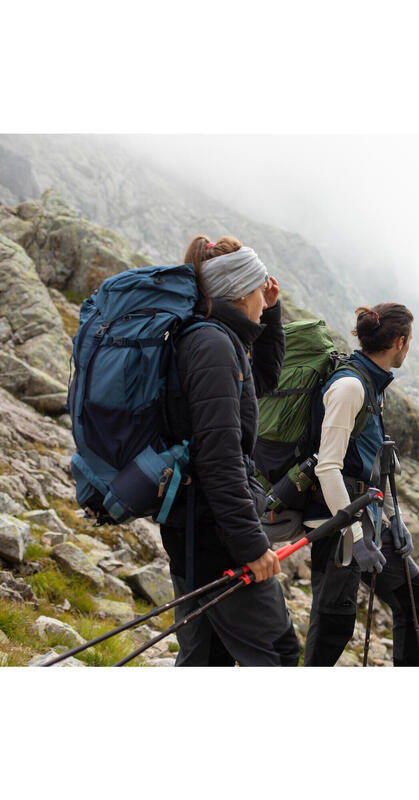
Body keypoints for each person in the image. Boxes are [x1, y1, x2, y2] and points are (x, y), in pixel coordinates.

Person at [159, 234, 300, 666]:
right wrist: (252, 548)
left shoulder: (217, 340)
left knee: (206, 659)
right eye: (260, 291)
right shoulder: (214, 347)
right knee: (276, 652)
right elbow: (219, 460)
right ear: (239, 290)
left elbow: (262, 384)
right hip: (215, 536)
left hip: (193, 527)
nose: (264, 298)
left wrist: (272, 314)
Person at [303, 303, 419, 666]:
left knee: (415, 595)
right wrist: (356, 540)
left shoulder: (372, 382)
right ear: (401, 342)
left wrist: (395, 520)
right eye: (410, 342)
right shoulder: (349, 387)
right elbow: (327, 468)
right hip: (338, 522)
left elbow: (374, 461)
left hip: (367, 518)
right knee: (334, 624)